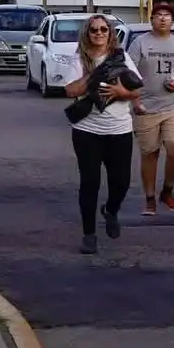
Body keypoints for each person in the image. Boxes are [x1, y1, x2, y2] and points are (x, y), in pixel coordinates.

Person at [65, 15, 142, 254]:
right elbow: (70, 90)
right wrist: (94, 73)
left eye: (103, 30)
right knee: (90, 183)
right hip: (87, 131)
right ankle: (89, 235)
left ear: (110, 33)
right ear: (87, 34)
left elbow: (138, 89)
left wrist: (120, 92)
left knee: (121, 182)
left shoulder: (122, 57)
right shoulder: (78, 58)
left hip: (119, 129)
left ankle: (110, 210)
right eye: (94, 30)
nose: (99, 34)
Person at [127, 2, 174, 215]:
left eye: (167, 16)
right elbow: (128, 73)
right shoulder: (140, 43)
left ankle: (168, 190)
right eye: (159, 15)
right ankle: (150, 198)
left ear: (172, 21)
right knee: (150, 153)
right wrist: (135, 101)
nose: (163, 19)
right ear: (152, 20)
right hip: (146, 106)